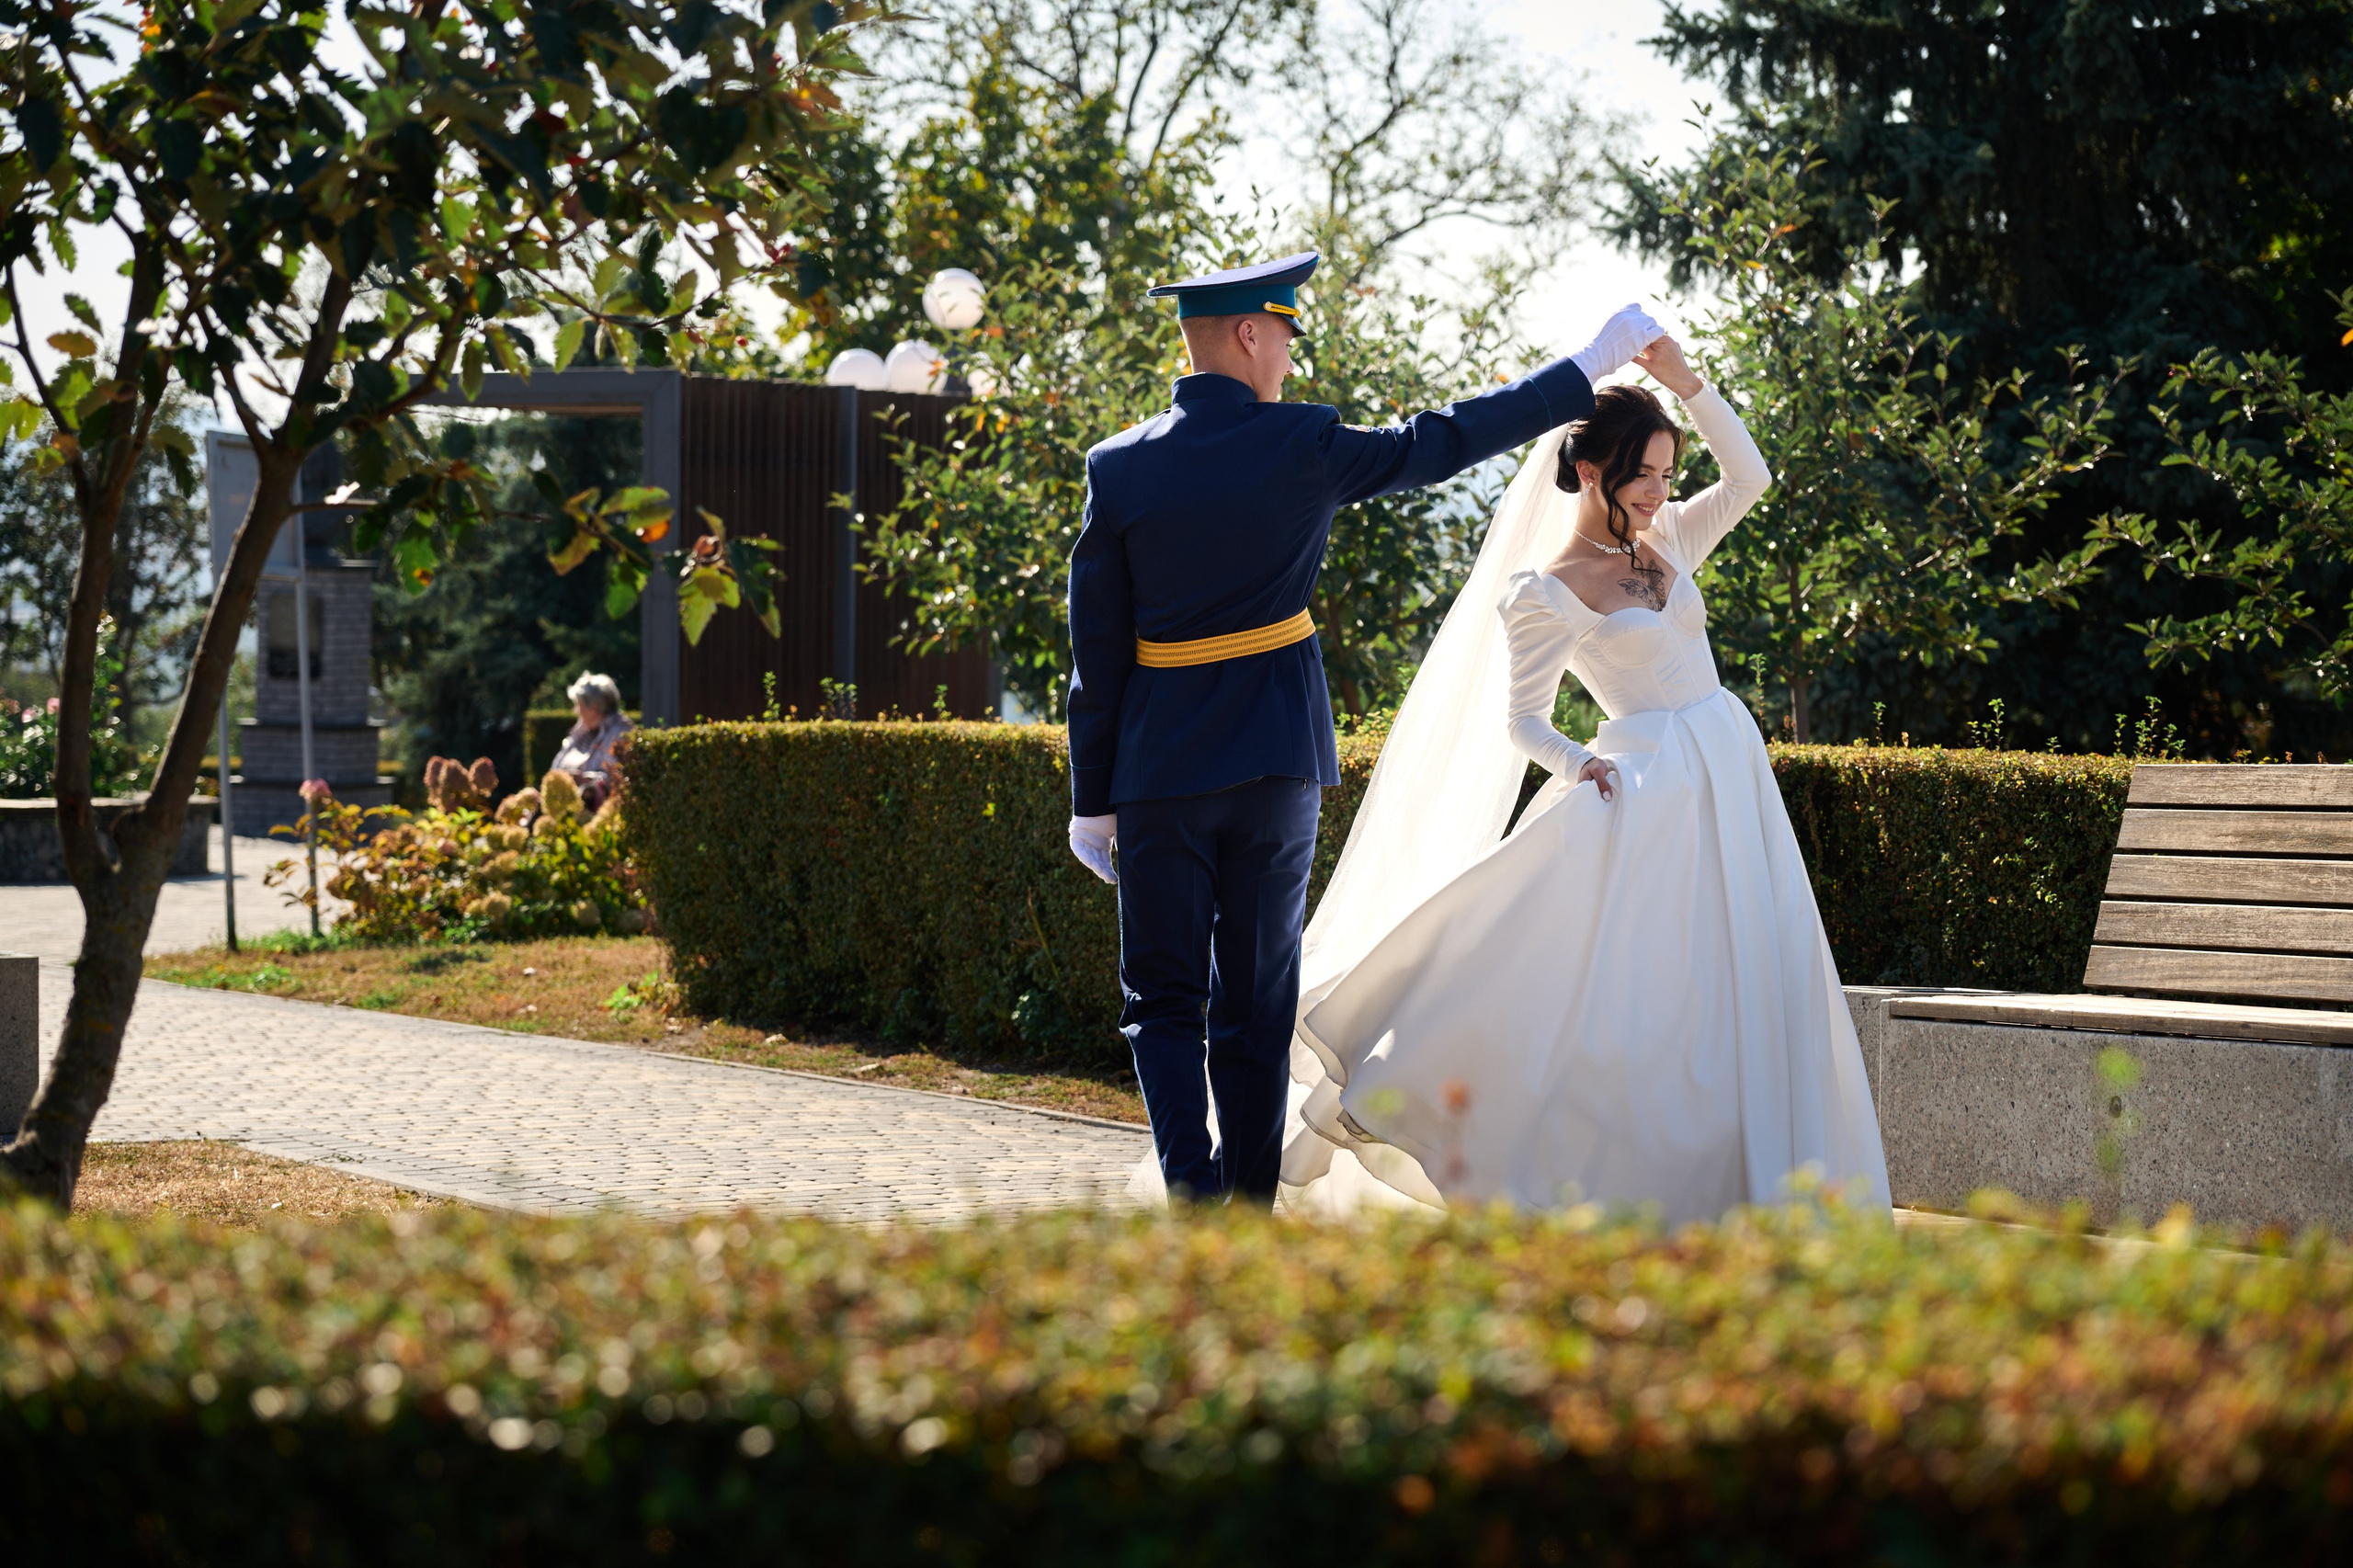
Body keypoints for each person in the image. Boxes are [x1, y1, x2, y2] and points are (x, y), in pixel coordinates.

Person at [1063, 246, 1668, 1205]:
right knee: (1257, 1004)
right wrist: (1583, 367)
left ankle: (1195, 1198)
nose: (1291, 361)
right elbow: (1442, 441)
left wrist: (1089, 802)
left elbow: (1095, 654)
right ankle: (1251, 1208)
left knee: (1163, 1003)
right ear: (1250, 333)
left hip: (1157, 769)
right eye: (1285, 337)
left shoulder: (1118, 466)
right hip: (1273, 763)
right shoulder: (1301, 443)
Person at [1277, 334, 1891, 1224]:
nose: (1658, 490)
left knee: (1758, 975)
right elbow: (1521, 719)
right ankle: (1620, 1189)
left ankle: (1763, 1189)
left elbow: (1751, 478)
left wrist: (1688, 384)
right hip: (1648, 792)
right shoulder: (1548, 589)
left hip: (1730, 772)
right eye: (1642, 472)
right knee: (1644, 1008)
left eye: (1667, 471)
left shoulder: (1671, 538)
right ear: (1591, 469)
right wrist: (1579, 760)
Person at [550, 672, 632, 812]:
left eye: (578, 705)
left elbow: (618, 777)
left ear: (593, 708)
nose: (575, 710)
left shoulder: (620, 734)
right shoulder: (580, 731)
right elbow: (555, 768)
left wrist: (585, 779)